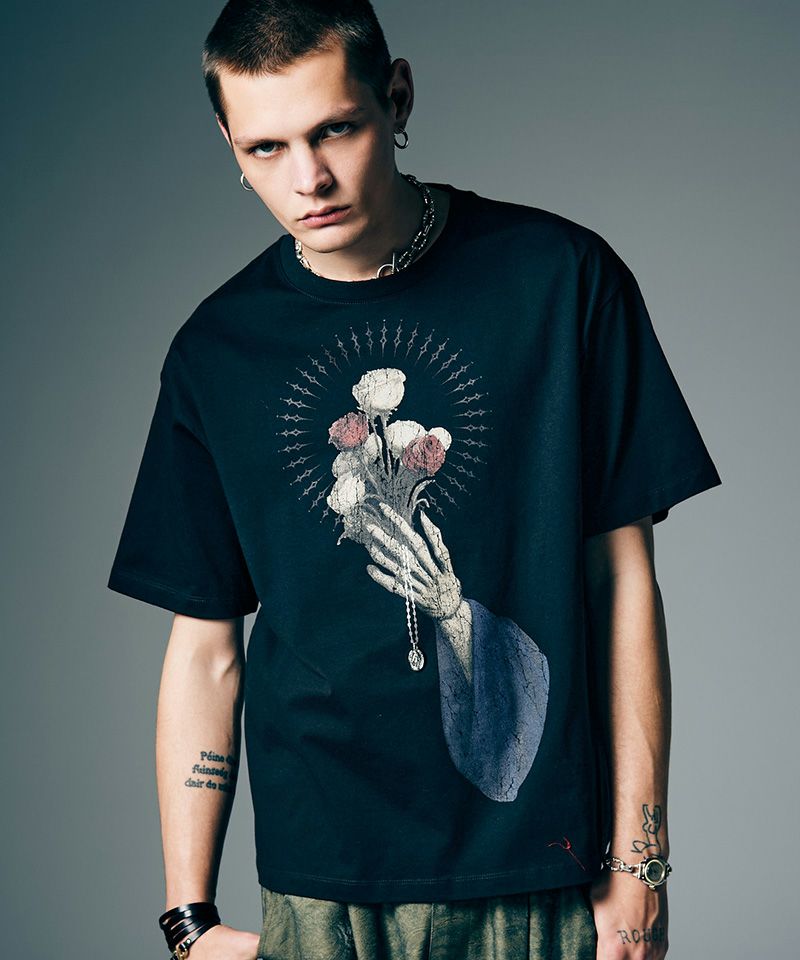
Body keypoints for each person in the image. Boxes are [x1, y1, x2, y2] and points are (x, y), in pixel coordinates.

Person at [107, 2, 722, 958]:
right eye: (266, 148)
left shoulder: (559, 280)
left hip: (539, 870)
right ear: (229, 144)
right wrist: (188, 921)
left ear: (396, 99)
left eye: (335, 130)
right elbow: (204, 647)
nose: (307, 179)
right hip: (317, 887)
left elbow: (624, 584)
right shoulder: (216, 352)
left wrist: (641, 865)